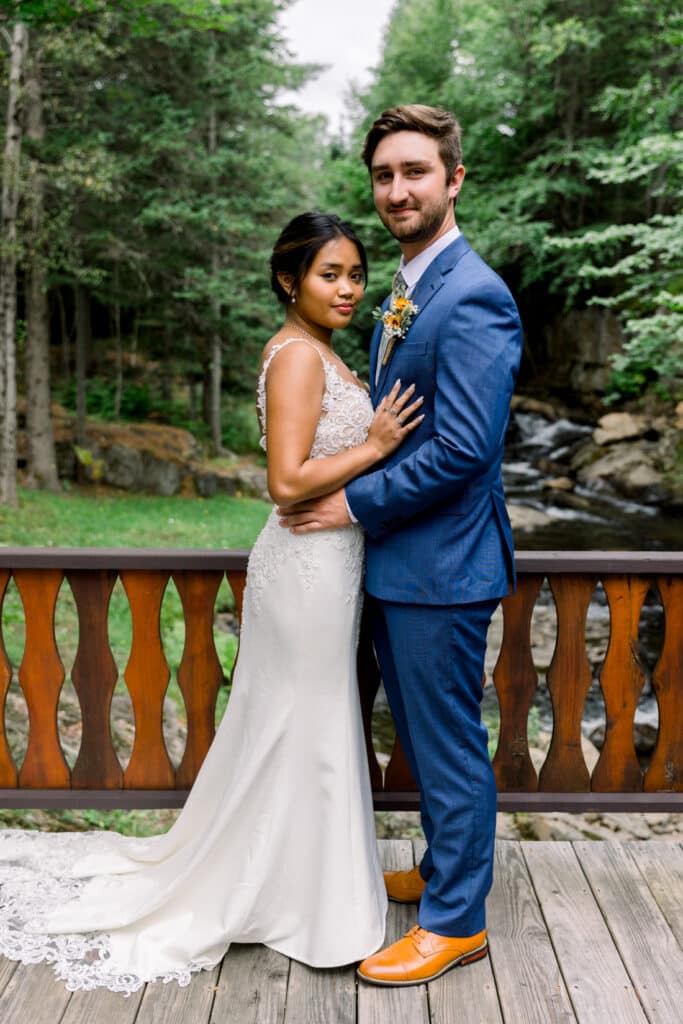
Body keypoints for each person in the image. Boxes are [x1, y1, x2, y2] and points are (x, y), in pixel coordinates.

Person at [0, 212, 423, 994]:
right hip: (304, 562)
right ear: (287, 279)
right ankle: (306, 903)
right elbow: (287, 481)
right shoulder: (296, 356)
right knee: (307, 716)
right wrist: (376, 446)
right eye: (329, 274)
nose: (347, 288)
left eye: (355, 275)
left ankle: (302, 887)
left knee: (306, 719)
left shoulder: (321, 349)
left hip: (328, 560)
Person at [278, 106, 523, 986]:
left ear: (453, 179)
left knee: (445, 744)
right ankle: (434, 871)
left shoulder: (475, 294)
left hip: (443, 566)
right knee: (418, 737)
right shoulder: (404, 289)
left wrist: (350, 504)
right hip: (391, 564)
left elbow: (463, 450)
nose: (396, 191)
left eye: (415, 172)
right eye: (383, 176)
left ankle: (454, 920)